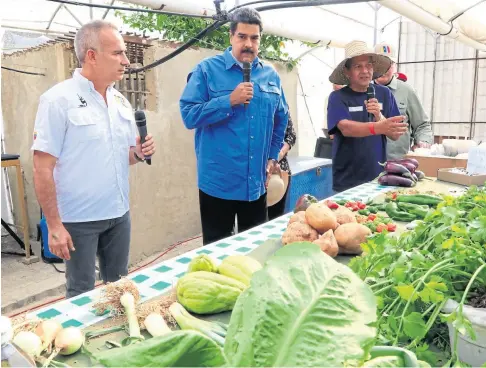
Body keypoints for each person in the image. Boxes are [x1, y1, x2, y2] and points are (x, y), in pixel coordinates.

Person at [32, 20, 156, 298]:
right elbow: (42, 167)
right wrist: (54, 225)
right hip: (78, 220)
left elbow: (123, 157)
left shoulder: (120, 102)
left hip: (119, 214)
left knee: (119, 287)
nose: (126, 60)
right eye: (117, 53)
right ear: (91, 55)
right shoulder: (57, 100)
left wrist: (138, 153)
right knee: (81, 292)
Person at [179, 7, 289, 245]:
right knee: (216, 254)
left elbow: (281, 119)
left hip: (256, 183)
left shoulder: (271, 75)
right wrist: (228, 101)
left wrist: (272, 156)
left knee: (255, 249)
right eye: (242, 37)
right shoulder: (207, 70)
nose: (248, 44)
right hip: (218, 185)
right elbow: (188, 115)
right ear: (231, 37)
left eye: (254, 38)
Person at [327, 40, 407, 193]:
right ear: (346, 71)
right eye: (358, 66)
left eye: (368, 65)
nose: (365, 71)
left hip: (378, 177)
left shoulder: (384, 93)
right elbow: (346, 128)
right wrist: (378, 127)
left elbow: (395, 135)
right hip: (347, 180)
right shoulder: (337, 97)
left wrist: (379, 115)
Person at [374, 43, 432, 159]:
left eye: (388, 65)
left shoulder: (407, 91)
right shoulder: (363, 91)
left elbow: (421, 124)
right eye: (379, 64)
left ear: (395, 66)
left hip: (398, 163)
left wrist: (423, 142)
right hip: (368, 163)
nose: (383, 69)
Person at [268, 112, 296, 220]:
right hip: (256, 172)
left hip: (280, 172)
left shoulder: (281, 106)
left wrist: (278, 155)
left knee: (275, 216)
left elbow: (291, 136)